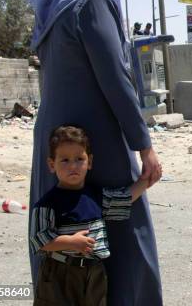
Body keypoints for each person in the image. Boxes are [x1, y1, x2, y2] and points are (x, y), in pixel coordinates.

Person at [28, 0, 163, 305]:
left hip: (54, 140)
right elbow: (116, 80)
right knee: (125, 230)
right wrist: (144, 145)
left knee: (59, 223)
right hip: (95, 139)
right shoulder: (90, 1)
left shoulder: (50, 10)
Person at [31, 126, 154, 305]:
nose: (73, 166)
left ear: (89, 162)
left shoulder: (95, 197)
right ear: (52, 164)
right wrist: (71, 242)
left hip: (94, 271)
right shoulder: (47, 204)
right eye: (64, 160)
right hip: (61, 272)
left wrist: (147, 180)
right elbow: (39, 240)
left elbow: (124, 199)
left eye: (79, 159)